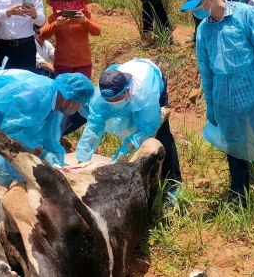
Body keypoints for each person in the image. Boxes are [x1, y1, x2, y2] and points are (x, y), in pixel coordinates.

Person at [180, 0, 254, 203]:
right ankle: (239, 196)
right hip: (225, 98)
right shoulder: (203, 30)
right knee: (234, 146)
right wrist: (211, 103)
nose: (197, 12)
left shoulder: (245, 15)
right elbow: (206, 70)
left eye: (198, 5)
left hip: (253, 93)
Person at [0, 71, 95, 186]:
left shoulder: (57, 102)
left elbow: (50, 135)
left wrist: (58, 160)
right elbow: (11, 130)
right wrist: (40, 151)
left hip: (7, 105)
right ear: (69, 97)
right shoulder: (36, 97)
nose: (78, 108)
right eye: (78, 104)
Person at [75, 59, 182, 190]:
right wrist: (82, 162)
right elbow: (93, 128)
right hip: (127, 83)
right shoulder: (100, 98)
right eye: (109, 100)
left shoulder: (146, 95)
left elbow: (148, 127)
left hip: (152, 80)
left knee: (162, 133)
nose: (113, 102)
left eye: (117, 99)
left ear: (126, 89)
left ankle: (174, 184)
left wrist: (127, 147)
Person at [40, 0, 101, 135]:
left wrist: (85, 22)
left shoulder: (86, 16)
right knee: (61, 97)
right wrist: (56, 24)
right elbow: (43, 34)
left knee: (82, 97)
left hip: (83, 62)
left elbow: (97, 31)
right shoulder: (54, 17)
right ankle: (56, 130)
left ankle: (76, 128)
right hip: (63, 63)